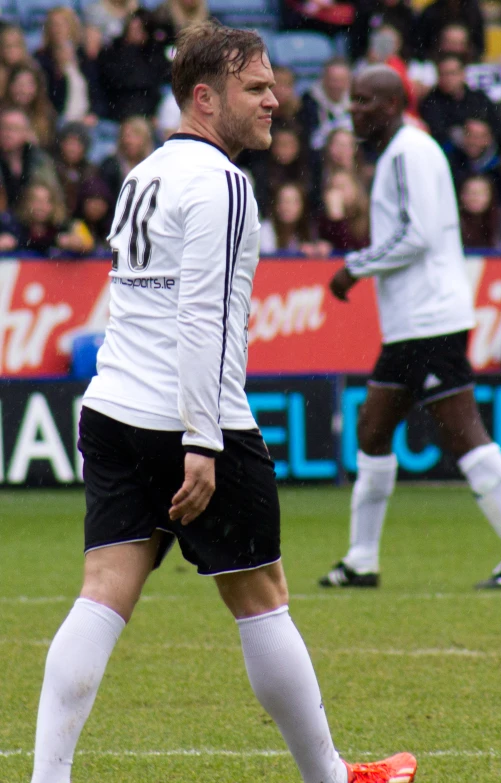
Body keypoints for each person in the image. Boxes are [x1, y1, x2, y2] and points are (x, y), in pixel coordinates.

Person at [29, 23, 417, 783]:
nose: (276, 98)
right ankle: (330, 778)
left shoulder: (143, 174)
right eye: (257, 87)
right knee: (263, 598)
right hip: (190, 421)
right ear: (205, 96)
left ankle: (48, 776)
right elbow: (201, 314)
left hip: (113, 408)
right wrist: (203, 442)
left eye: (273, 84)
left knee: (101, 594)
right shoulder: (224, 182)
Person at [322, 65, 501, 591]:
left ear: (390, 106)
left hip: (432, 319)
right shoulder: (399, 152)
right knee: (373, 428)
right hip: (412, 322)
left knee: (461, 430)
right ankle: (362, 560)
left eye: (364, 101)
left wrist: (355, 266)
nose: (354, 109)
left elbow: (419, 234)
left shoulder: (410, 150)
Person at [458, 174, 501, 249]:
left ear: (491, 195)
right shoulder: (454, 220)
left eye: (480, 193)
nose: (474, 197)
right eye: (469, 192)